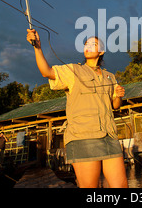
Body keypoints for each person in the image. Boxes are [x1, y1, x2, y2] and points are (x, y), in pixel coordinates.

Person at [27, 29, 128, 188]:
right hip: (83, 136)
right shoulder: (74, 70)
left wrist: (118, 96)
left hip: (110, 136)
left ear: (101, 51)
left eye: (93, 44)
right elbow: (46, 71)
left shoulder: (110, 77)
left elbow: (115, 106)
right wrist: (37, 47)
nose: (88, 46)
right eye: (86, 43)